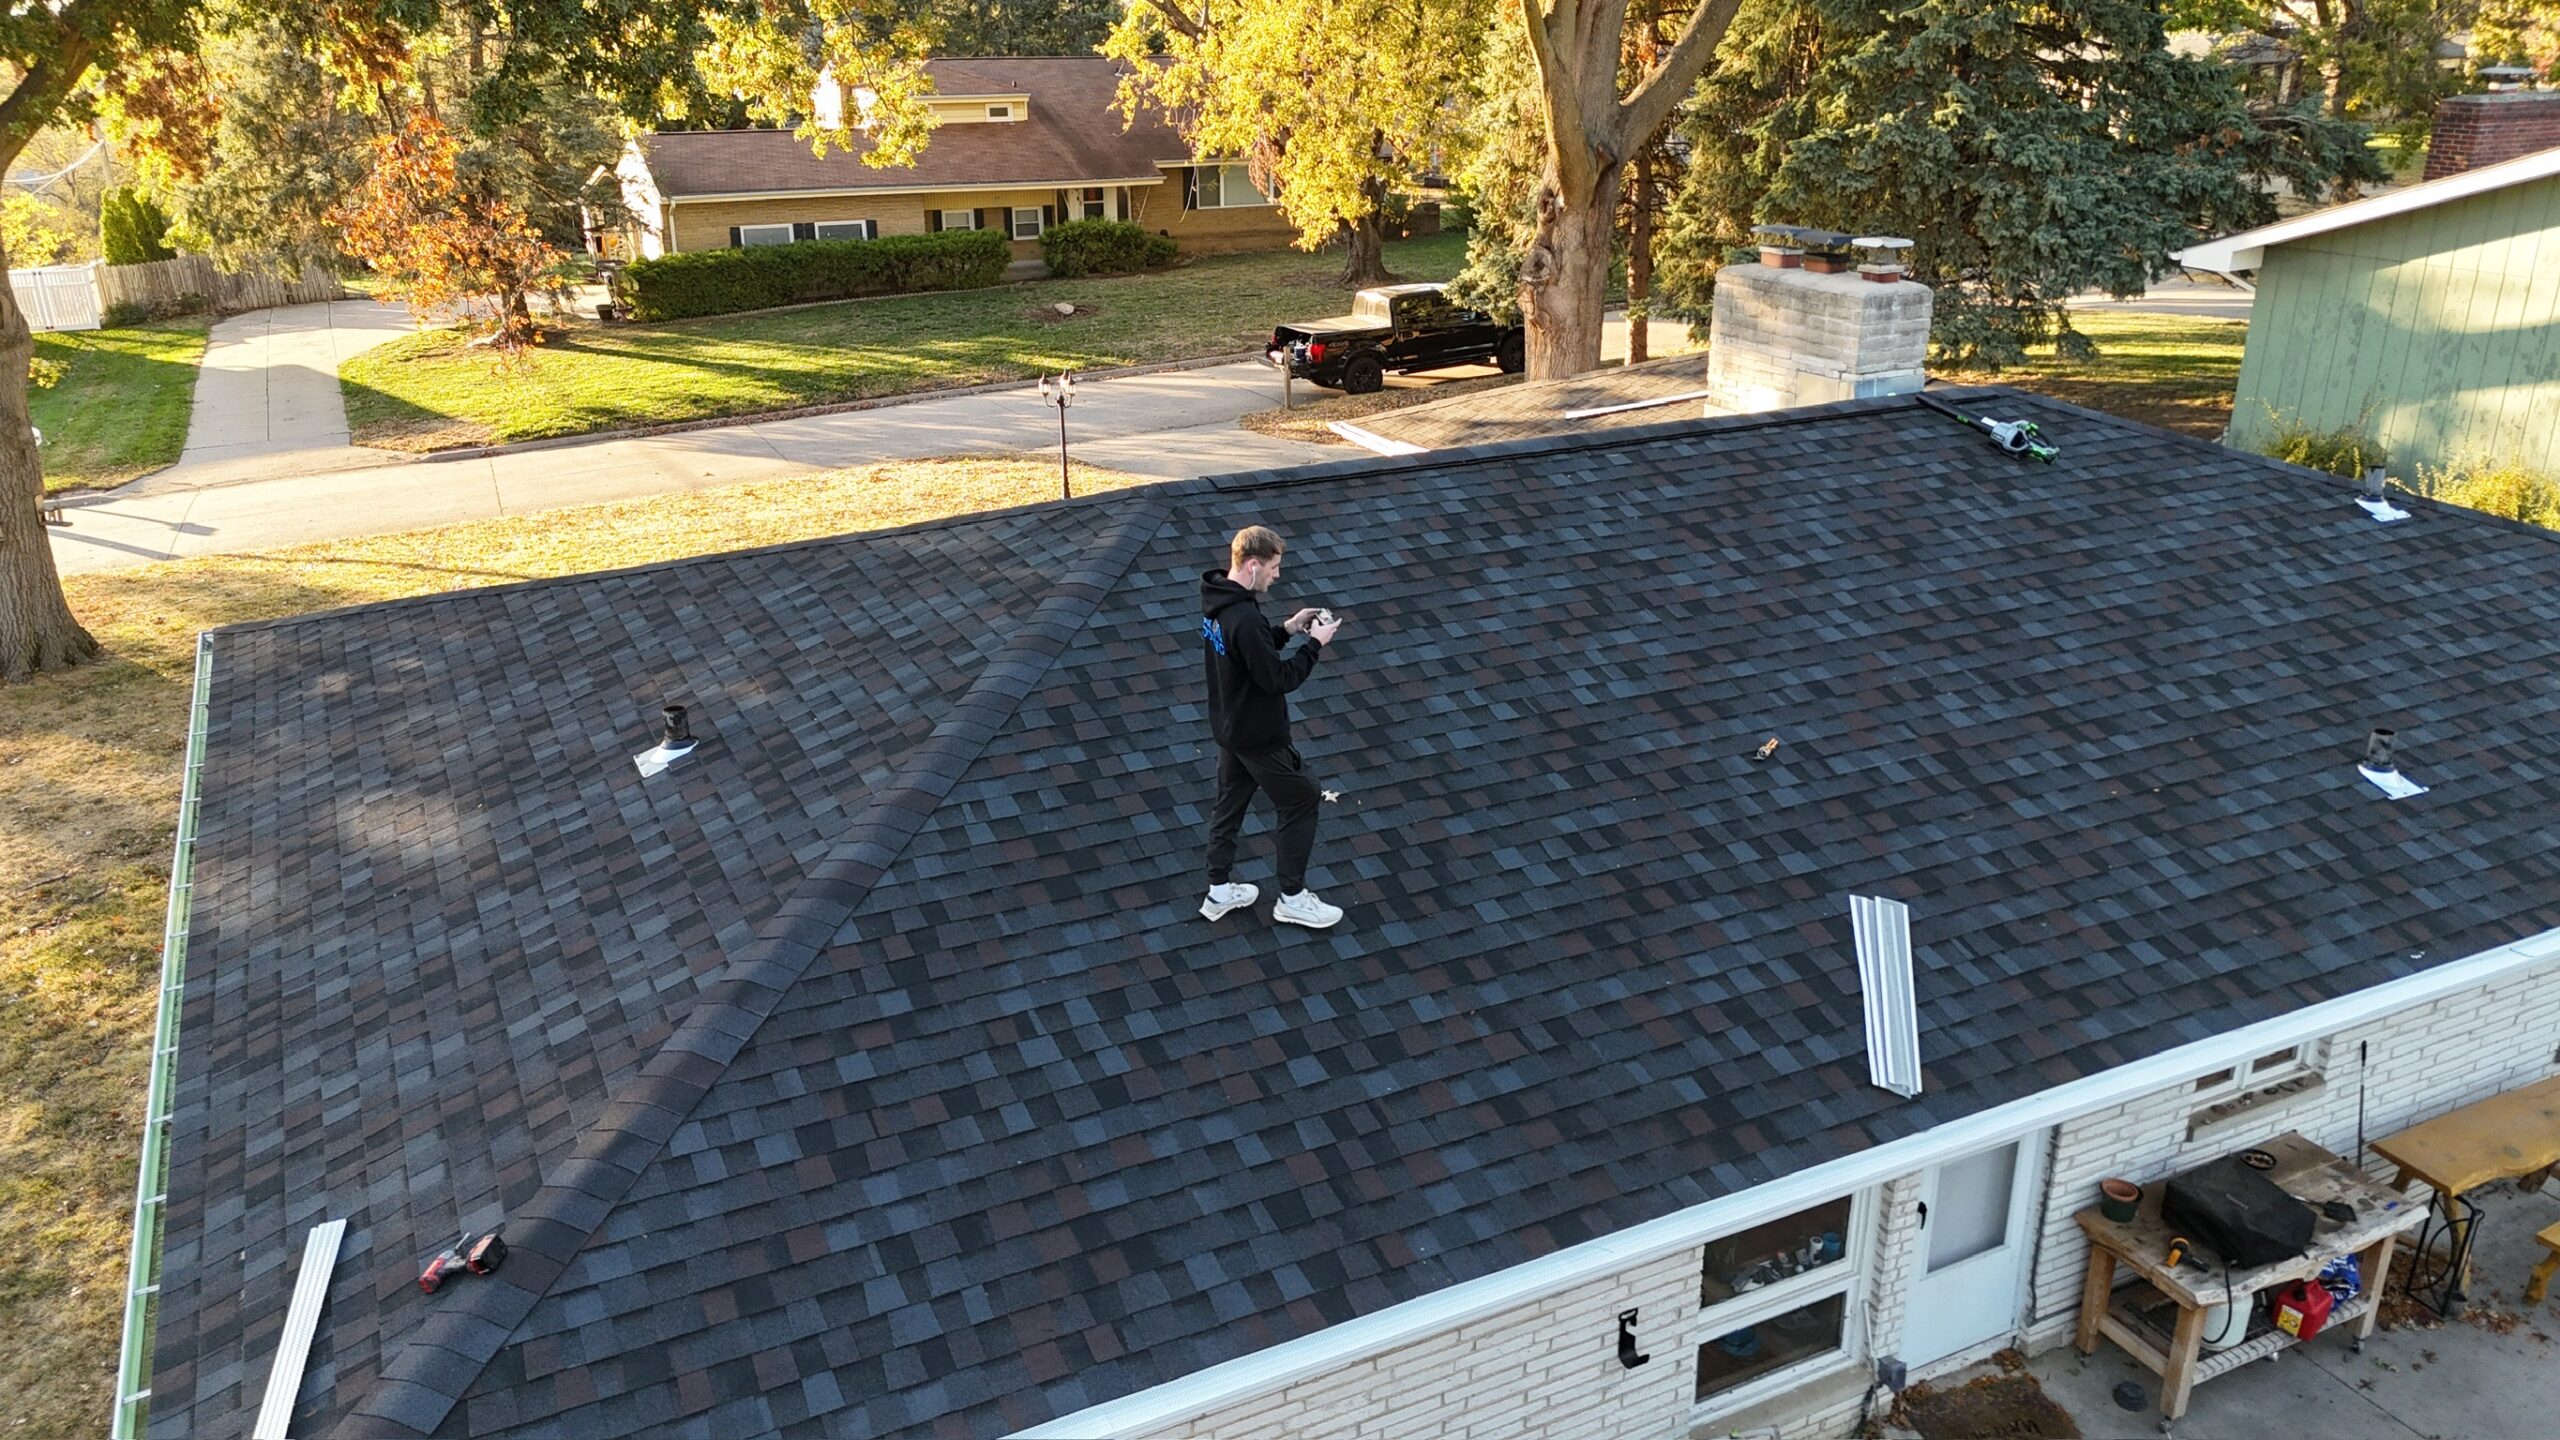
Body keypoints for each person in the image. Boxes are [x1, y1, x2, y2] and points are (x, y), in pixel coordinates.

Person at [1199, 525, 1345, 928]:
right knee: (1302, 797)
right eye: (1273, 567)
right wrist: (1315, 644)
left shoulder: (1220, 604)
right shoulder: (1244, 617)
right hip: (1258, 736)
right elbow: (1277, 679)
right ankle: (1292, 898)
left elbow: (1250, 654)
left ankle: (1218, 891)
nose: (1277, 575)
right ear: (1252, 565)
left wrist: (1289, 627)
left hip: (1230, 728)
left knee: (1228, 806)